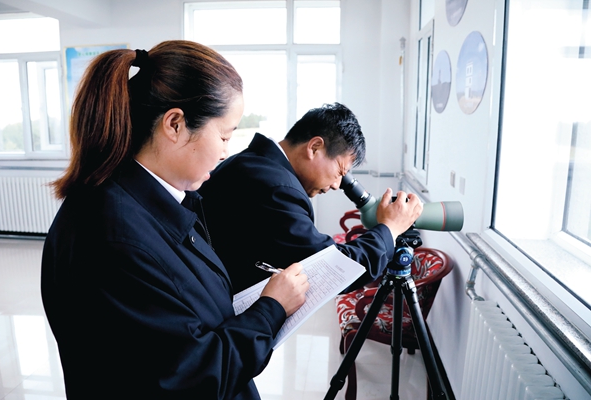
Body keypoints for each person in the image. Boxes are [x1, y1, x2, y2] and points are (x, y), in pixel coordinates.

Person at [40, 40, 309, 400]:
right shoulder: (113, 234)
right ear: (175, 124)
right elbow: (191, 376)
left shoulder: (152, 201)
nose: (226, 151)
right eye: (225, 135)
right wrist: (271, 309)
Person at [198, 103, 423, 294]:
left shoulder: (255, 164)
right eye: (340, 172)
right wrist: (390, 228)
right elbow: (331, 270)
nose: (337, 185)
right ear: (315, 147)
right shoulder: (275, 187)